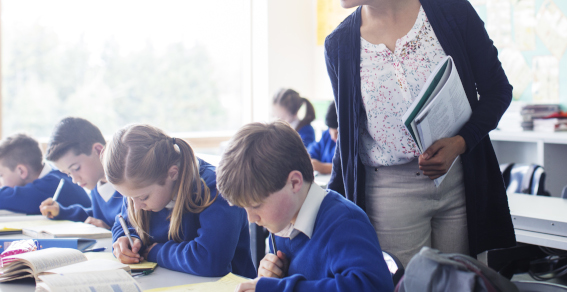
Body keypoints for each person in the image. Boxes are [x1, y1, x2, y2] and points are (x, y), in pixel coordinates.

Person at [323, 0, 516, 265]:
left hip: (459, 180)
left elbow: (497, 91)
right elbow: (348, 139)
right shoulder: (339, 46)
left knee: (462, 285)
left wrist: (460, 142)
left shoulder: (451, 13)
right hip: (388, 190)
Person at [216, 121, 393, 292]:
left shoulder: (345, 223)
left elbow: (374, 286)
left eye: (256, 205)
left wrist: (281, 288)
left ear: (294, 183)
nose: (251, 218)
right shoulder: (283, 221)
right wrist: (274, 276)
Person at [104, 124, 256, 278]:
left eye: (143, 197)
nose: (136, 206)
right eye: (129, 198)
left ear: (172, 174)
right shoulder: (139, 189)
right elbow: (123, 223)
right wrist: (125, 241)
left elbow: (211, 260)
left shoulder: (216, 189)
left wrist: (156, 252)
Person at [39, 117, 123, 229]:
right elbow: (97, 216)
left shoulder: (129, 188)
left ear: (98, 151)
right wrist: (61, 212)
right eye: (68, 173)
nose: (74, 179)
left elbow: (137, 233)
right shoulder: (96, 184)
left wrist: (110, 231)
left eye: (76, 168)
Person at [0, 133, 91, 214]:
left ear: (21, 171)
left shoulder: (52, 184)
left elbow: (3, 198)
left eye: (1, 175)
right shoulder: (53, 175)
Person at [307, 102, 337, 174]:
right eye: (330, 130)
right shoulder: (327, 135)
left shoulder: (352, 144)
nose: (333, 137)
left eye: (337, 133)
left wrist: (322, 167)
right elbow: (314, 149)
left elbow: (348, 168)